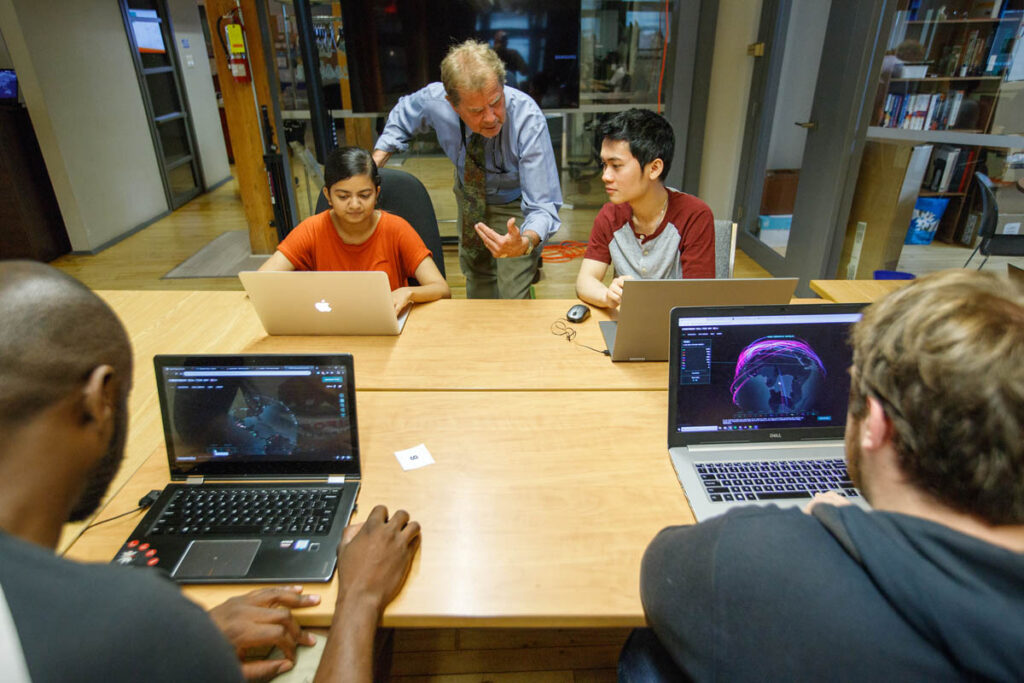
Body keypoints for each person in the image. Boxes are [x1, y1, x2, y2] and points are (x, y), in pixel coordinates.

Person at [0, 260, 422, 683]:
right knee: (323, 632)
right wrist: (359, 595)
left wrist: (199, 635)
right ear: (99, 401)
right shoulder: (127, 613)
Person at [626, 270, 1024, 681]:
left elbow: (661, 570)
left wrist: (831, 532)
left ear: (876, 423)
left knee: (647, 655)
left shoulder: (747, 553)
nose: (782, 392)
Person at [373, 40, 562, 299]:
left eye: (496, 102)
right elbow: (404, 113)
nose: (491, 117)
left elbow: (542, 205)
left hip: (515, 206)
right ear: (452, 104)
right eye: (477, 110)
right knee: (476, 276)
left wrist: (526, 242)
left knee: (513, 292)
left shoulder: (527, 118)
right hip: (470, 195)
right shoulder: (435, 100)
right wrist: (376, 159)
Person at [260, 146, 450, 314]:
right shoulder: (312, 229)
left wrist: (409, 293)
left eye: (364, 195)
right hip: (330, 328)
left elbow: (441, 288)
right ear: (328, 195)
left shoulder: (396, 228)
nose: (355, 204)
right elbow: (261, 283)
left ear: (377, 193)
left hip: (387, 327)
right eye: (343, 196)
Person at [575, 108, 714, 310]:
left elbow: (699, 299)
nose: (605, 176)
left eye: (616, 165)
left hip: (672, 329)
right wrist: (607, 296)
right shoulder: (610, 215)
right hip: (625, 325)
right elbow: (585, 281)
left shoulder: (694, 215)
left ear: (654, 168)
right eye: (604, 164)